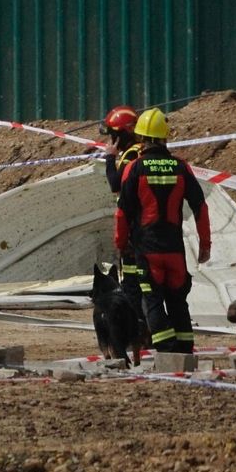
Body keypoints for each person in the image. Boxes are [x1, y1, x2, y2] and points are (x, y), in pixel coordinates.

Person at [113, 108, 210, 355]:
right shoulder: (181, 167)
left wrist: (121, 242)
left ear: (141, 138)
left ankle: (167, 352)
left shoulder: (134, 168)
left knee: (153, 300)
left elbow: (122, 211)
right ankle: (185, 350)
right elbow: (200, 206)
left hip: (148, 249)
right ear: (165, 138)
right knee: (178, 301)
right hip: (175, 250)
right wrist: (205, 244)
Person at [100, 105, 149, 334]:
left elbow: (115, 183)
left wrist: (110, 158)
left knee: (132, 285)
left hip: (133, 228)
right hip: (147, 226)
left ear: (120, 135)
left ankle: (138, 331)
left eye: (112, 134)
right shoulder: (144, 151)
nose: (110, 139)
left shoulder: (131, 155)